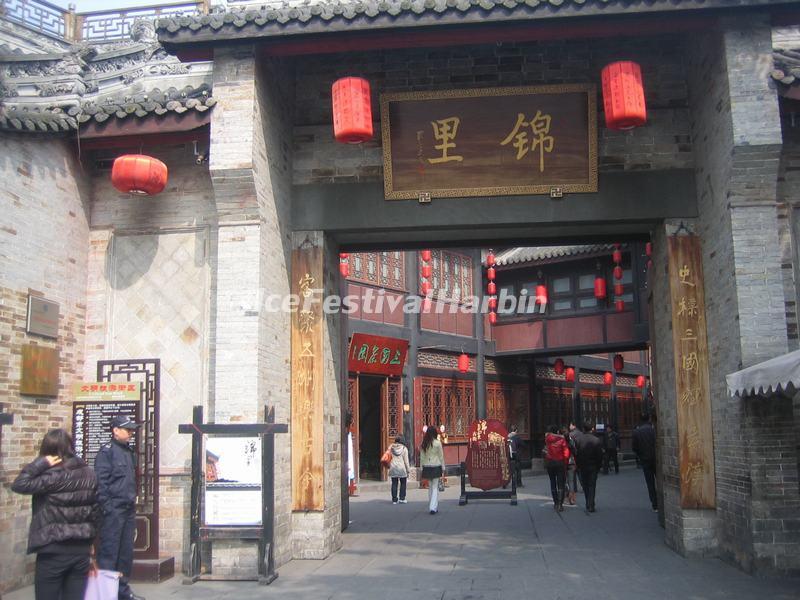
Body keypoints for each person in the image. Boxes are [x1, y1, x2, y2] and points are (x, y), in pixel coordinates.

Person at [12, 429, 99, 600]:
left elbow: (19, 484)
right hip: (80, 549)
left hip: (53, 548)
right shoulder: (89, 473)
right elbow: (96, 511)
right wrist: (91, 541)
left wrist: (40, 463)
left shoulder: (52, 475)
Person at [95, 415, 145, 600]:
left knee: (125, 554)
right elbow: (101, 483)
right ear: (115, 430)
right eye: (127, 429)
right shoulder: (107, 452)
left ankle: (122, 591)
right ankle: (106, 594)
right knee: (109, 553)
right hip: (113, 510)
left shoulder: (128, 451)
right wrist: (107, 508)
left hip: (127, 509)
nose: (131, 433)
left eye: (132, 429)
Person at [632, 413, 658, 512]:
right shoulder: (654, 430)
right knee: (660, 480)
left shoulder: (637, 432)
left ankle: (655, 505)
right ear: (649, 419)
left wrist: (640, 455)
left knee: (650, 482)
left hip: (645, 459)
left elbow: (634, 447)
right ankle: (663, 502)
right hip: (656, 458)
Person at [574, 423, 603, 513]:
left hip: (582, 466)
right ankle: (591, 504)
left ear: (583, 429)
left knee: (585, 485)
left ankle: (588, 503)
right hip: (593, 466)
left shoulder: (578, 440)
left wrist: (578, 465)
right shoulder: (596, 440)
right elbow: (599, 455)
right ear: (592, 429)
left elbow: (576, 454)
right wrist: (599, 466)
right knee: (592, 485)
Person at [419, 425, 446, 515]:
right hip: (436, 465)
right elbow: (441, 456)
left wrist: (421, 467)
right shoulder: (438, 443)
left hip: (427, 466)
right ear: (435, 433)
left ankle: (432, 505)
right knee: (435, 487)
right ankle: (433, 507)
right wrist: (443, 467)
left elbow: (422, 457)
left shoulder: (424, 443)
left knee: (430, 487)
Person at [543, 425, 568, 511]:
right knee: (560, 483)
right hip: (560, 462)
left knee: (552, 482)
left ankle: (556, 502)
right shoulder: (562, 439)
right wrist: (565, 462)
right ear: (557, 431)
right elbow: (566, 452)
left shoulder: (547, 439)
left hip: (550, 462)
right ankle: (560, 505)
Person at [386, 435, 411, 504]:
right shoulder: (404, 449)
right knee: (403, 483)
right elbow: (406, 461)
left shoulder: (390, 447)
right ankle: (402, 498)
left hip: (393, 467)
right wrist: (408, 470)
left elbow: (388, 457)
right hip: (401, 468)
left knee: (394, 483)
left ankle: (394, 499)